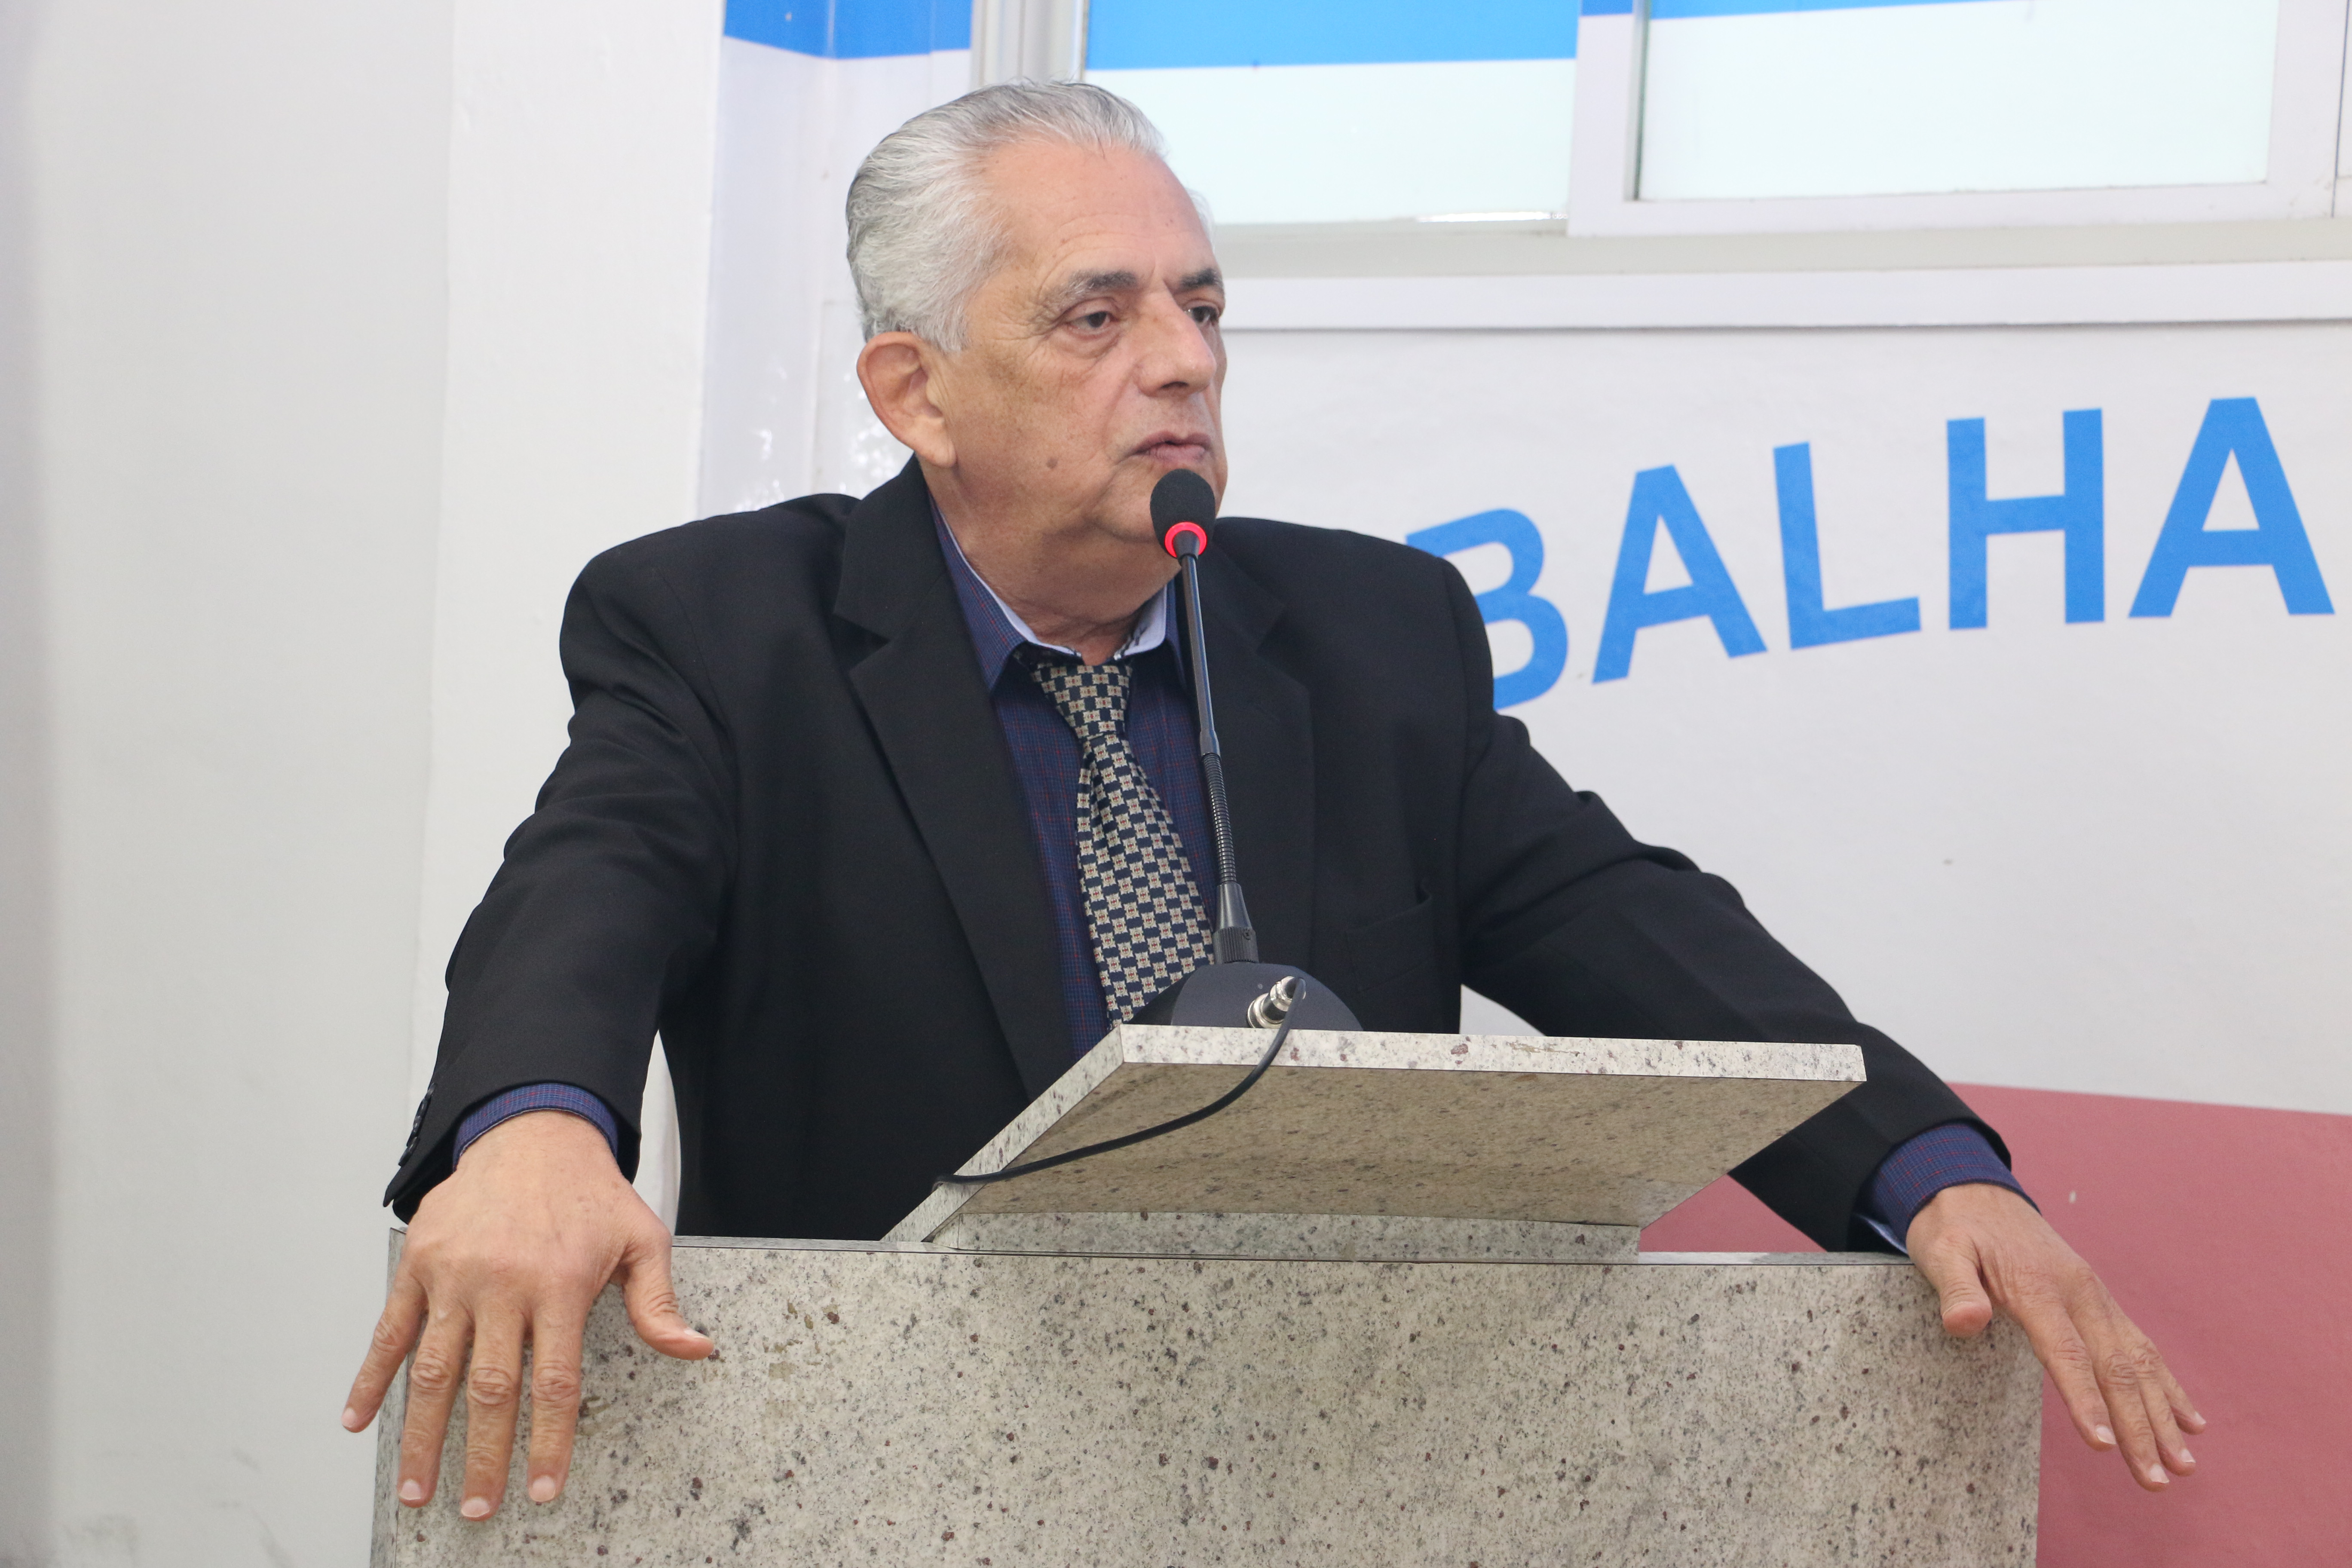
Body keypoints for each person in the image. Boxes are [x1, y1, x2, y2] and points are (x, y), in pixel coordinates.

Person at [342, 81, 2200, 1522]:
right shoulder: (729, 626)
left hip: (1337, 1457)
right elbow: (591, 881)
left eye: (1201, 306)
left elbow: (1633, 929)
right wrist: (531, 1124)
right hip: (891, 1472)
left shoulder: (1372, 636)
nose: (1182, 360)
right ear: (917, 392)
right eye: (1095, 317)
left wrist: (1928, 1173)